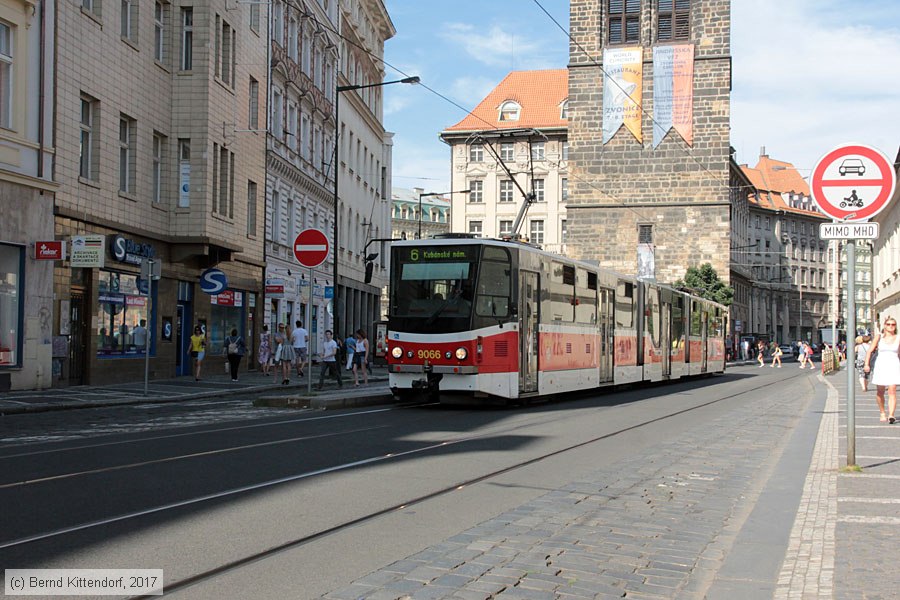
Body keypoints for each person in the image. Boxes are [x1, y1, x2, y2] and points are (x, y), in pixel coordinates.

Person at [864, 317, 900, 424]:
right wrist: (866, 364)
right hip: (881, 365)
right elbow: (870, 351)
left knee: (892, 390)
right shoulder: (878, 338)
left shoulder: (898, 338)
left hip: (894, 365)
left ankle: (891, 415)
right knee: (880, 391)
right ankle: (882, 412)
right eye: (888, 324)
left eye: (893, 324)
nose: (891, 326)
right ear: (884, 326)